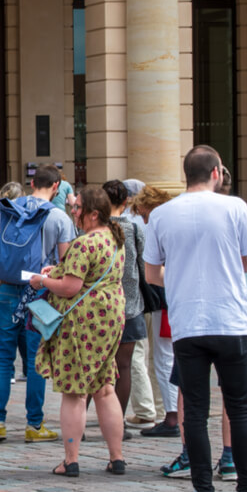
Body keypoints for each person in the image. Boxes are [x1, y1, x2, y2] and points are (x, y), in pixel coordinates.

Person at [143, 145, 247, 492]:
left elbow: (152, 274)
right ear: (216, 172)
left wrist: (178, 276)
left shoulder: (162, 214)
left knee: (194, 412)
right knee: (240, 408)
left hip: (188, 323)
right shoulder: (235, 208)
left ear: (187, 174)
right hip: (230, 319)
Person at [31, 185, 127, 477]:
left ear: (93, 213)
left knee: (74, 391)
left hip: (83, 323)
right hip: (111, 317)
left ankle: (71, 460)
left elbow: (71, 287)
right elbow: (88, 276)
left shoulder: (84, 243)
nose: (73, 211)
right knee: (105, 388)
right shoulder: (114, 239)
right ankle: (117, 457)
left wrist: (43, 281)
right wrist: (56, 273)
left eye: (77, 207)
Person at [0, 164, 75, 444]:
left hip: (8, 289)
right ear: (56, 187)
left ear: (32, 184)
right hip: (41, 293)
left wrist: (2, 271)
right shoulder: (59, 217)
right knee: (36, 360)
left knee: (3, 357)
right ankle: (34, 425)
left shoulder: (8, 210)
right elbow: (65, 262)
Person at [134, 185, 181, 439]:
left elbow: (154, 268)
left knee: (164, 359)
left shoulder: (161, 225)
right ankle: (174, 413)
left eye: (144, 213)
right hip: (175, 297)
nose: (143, 220)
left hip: (167, 298)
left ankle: (173, 415)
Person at [102, 180, 146, 437]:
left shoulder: (95, 230)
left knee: (94, 365)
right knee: (124, 367)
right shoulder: (134, 229)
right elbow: (143, 262)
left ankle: (82, 422)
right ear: (126, 202)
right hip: (130, 305)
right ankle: (117, 423)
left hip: (102, 306)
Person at [121, 178, 160, 428]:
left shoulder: (128, 223)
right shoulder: (149, 221)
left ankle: (146, 409)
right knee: (156, 354)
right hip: (150, 294)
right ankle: (161, 405)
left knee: (136, 355)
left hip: (134, 297)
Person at [0, 182, 29, 383]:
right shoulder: (31, 216)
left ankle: (8, 371)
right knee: (25, 324)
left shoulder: (1, 218)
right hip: (27, 276)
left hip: (3, 278)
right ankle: (29, 368)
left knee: (2, 326)